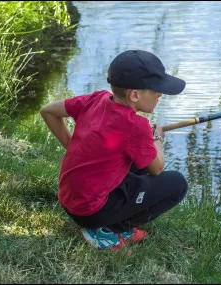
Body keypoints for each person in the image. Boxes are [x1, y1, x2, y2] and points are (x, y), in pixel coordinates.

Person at [40, 50, 188, 251]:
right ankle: (111, 229)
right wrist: (157, 138)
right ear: (135, 95)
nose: (160, 94)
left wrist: (72, 146)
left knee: (139, 159)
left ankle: (104, 221)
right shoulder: (137, 125)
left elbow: (48, 111)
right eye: (156, 90)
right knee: (177, 184)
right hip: (90, 211)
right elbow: (157, 169)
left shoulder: (98, 98)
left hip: (69, 199)